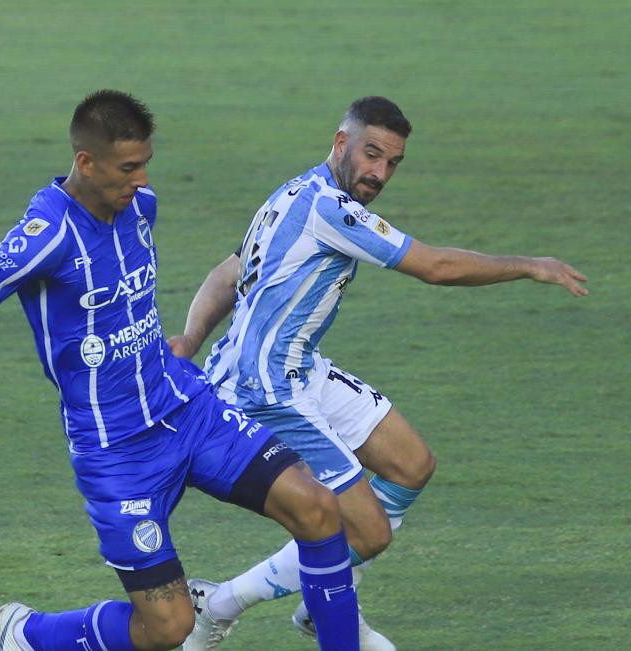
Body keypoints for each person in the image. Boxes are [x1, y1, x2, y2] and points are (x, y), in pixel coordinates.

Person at [0, 90, 361, 651]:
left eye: (145, 165)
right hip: (117, 453)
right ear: (85, 163)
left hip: (187, 410)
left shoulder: (141, 206)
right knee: (170, 627)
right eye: (127, 167)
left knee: (318, 509)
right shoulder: (49, 234)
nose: (140, 180)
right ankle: (29, 635)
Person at [170, 96, 589, 650]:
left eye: (392, 163)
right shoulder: (328, 209)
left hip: (302, 368)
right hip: (264, 387)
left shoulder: (291, 193)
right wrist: (532, 265)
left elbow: (230, 270)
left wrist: (193, 337)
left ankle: (312, 607)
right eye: (372, 155)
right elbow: (435, 267)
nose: (380, 173)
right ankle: (222, 604)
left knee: (412, 465)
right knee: (366, 530)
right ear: (341, 143)